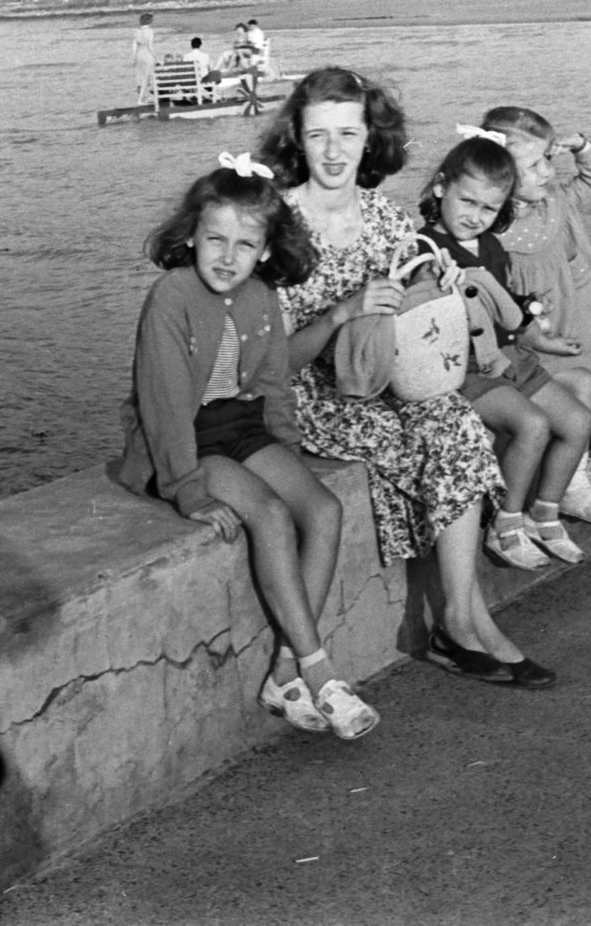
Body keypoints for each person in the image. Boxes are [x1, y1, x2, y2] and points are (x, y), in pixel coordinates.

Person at [257, 68, 554, 690]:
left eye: (348, 133)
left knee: (455, 424)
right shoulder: (276, 224)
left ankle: (462, 620)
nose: (335, 151)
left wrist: (433, 291)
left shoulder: (387, 219)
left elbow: (416, 324)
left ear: (371, 138)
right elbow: (271, 364)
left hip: (389, 382)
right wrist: (344, 311)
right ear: (297, 140)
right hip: (318, 397)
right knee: (447, 435)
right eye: (318, 136)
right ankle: (466, 625)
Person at [118, 151, 378, 740]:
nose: (226, 257)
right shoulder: (172, 296)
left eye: (243, 245)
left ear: (264, 250)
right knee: (267, 515)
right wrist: (186, 490)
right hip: (188, 439)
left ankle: (283, 672)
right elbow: (162, 404)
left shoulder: (261, 297)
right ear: (192, 238)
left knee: (323, 509)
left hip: (242, 427)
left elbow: (271, 383)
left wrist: (289, 453)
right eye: (214, 240)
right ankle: (320, 671)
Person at [415, 134, 591, 570]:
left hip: (508, 357)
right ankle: (505, 525)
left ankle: (544, 513)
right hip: (468, 368)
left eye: (489, 209)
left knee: (576, 420)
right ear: (441, 188)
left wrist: (535, 327)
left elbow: (507, 305)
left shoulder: (491, 245)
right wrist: (433, 286)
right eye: (468, 202)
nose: (476, 217)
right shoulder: (425, 251)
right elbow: (423, 321)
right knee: (531, 425)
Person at [481, 106, 591, 523]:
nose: (548, 171)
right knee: (581, 385)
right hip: (540, 346)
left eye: (549, 158)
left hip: (575, 330)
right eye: (535, 164)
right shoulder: (496, 234)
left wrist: (581, 146)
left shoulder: (556, 202)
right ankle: (573, 486)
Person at [132, 13, 156, 102]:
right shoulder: (150, 31)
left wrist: (134, 57)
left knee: (140, 78)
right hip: (147, 54)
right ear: (150, 21)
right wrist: (156, 57)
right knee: (149, 77)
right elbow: (150, 46)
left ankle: (140, 97)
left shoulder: (136, 32)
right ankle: (144, 98)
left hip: (139, 55)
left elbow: (134, 46)